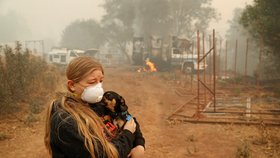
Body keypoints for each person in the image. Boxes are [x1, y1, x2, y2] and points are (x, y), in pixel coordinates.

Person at [44, 56, 139, 158]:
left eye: (101, 81)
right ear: (72, 85)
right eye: (92, 82)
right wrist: (128, 134)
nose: (98, 87)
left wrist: (139, 144)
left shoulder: (100, 104)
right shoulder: (65, 121)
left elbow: (130, 119)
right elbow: (104, 155)